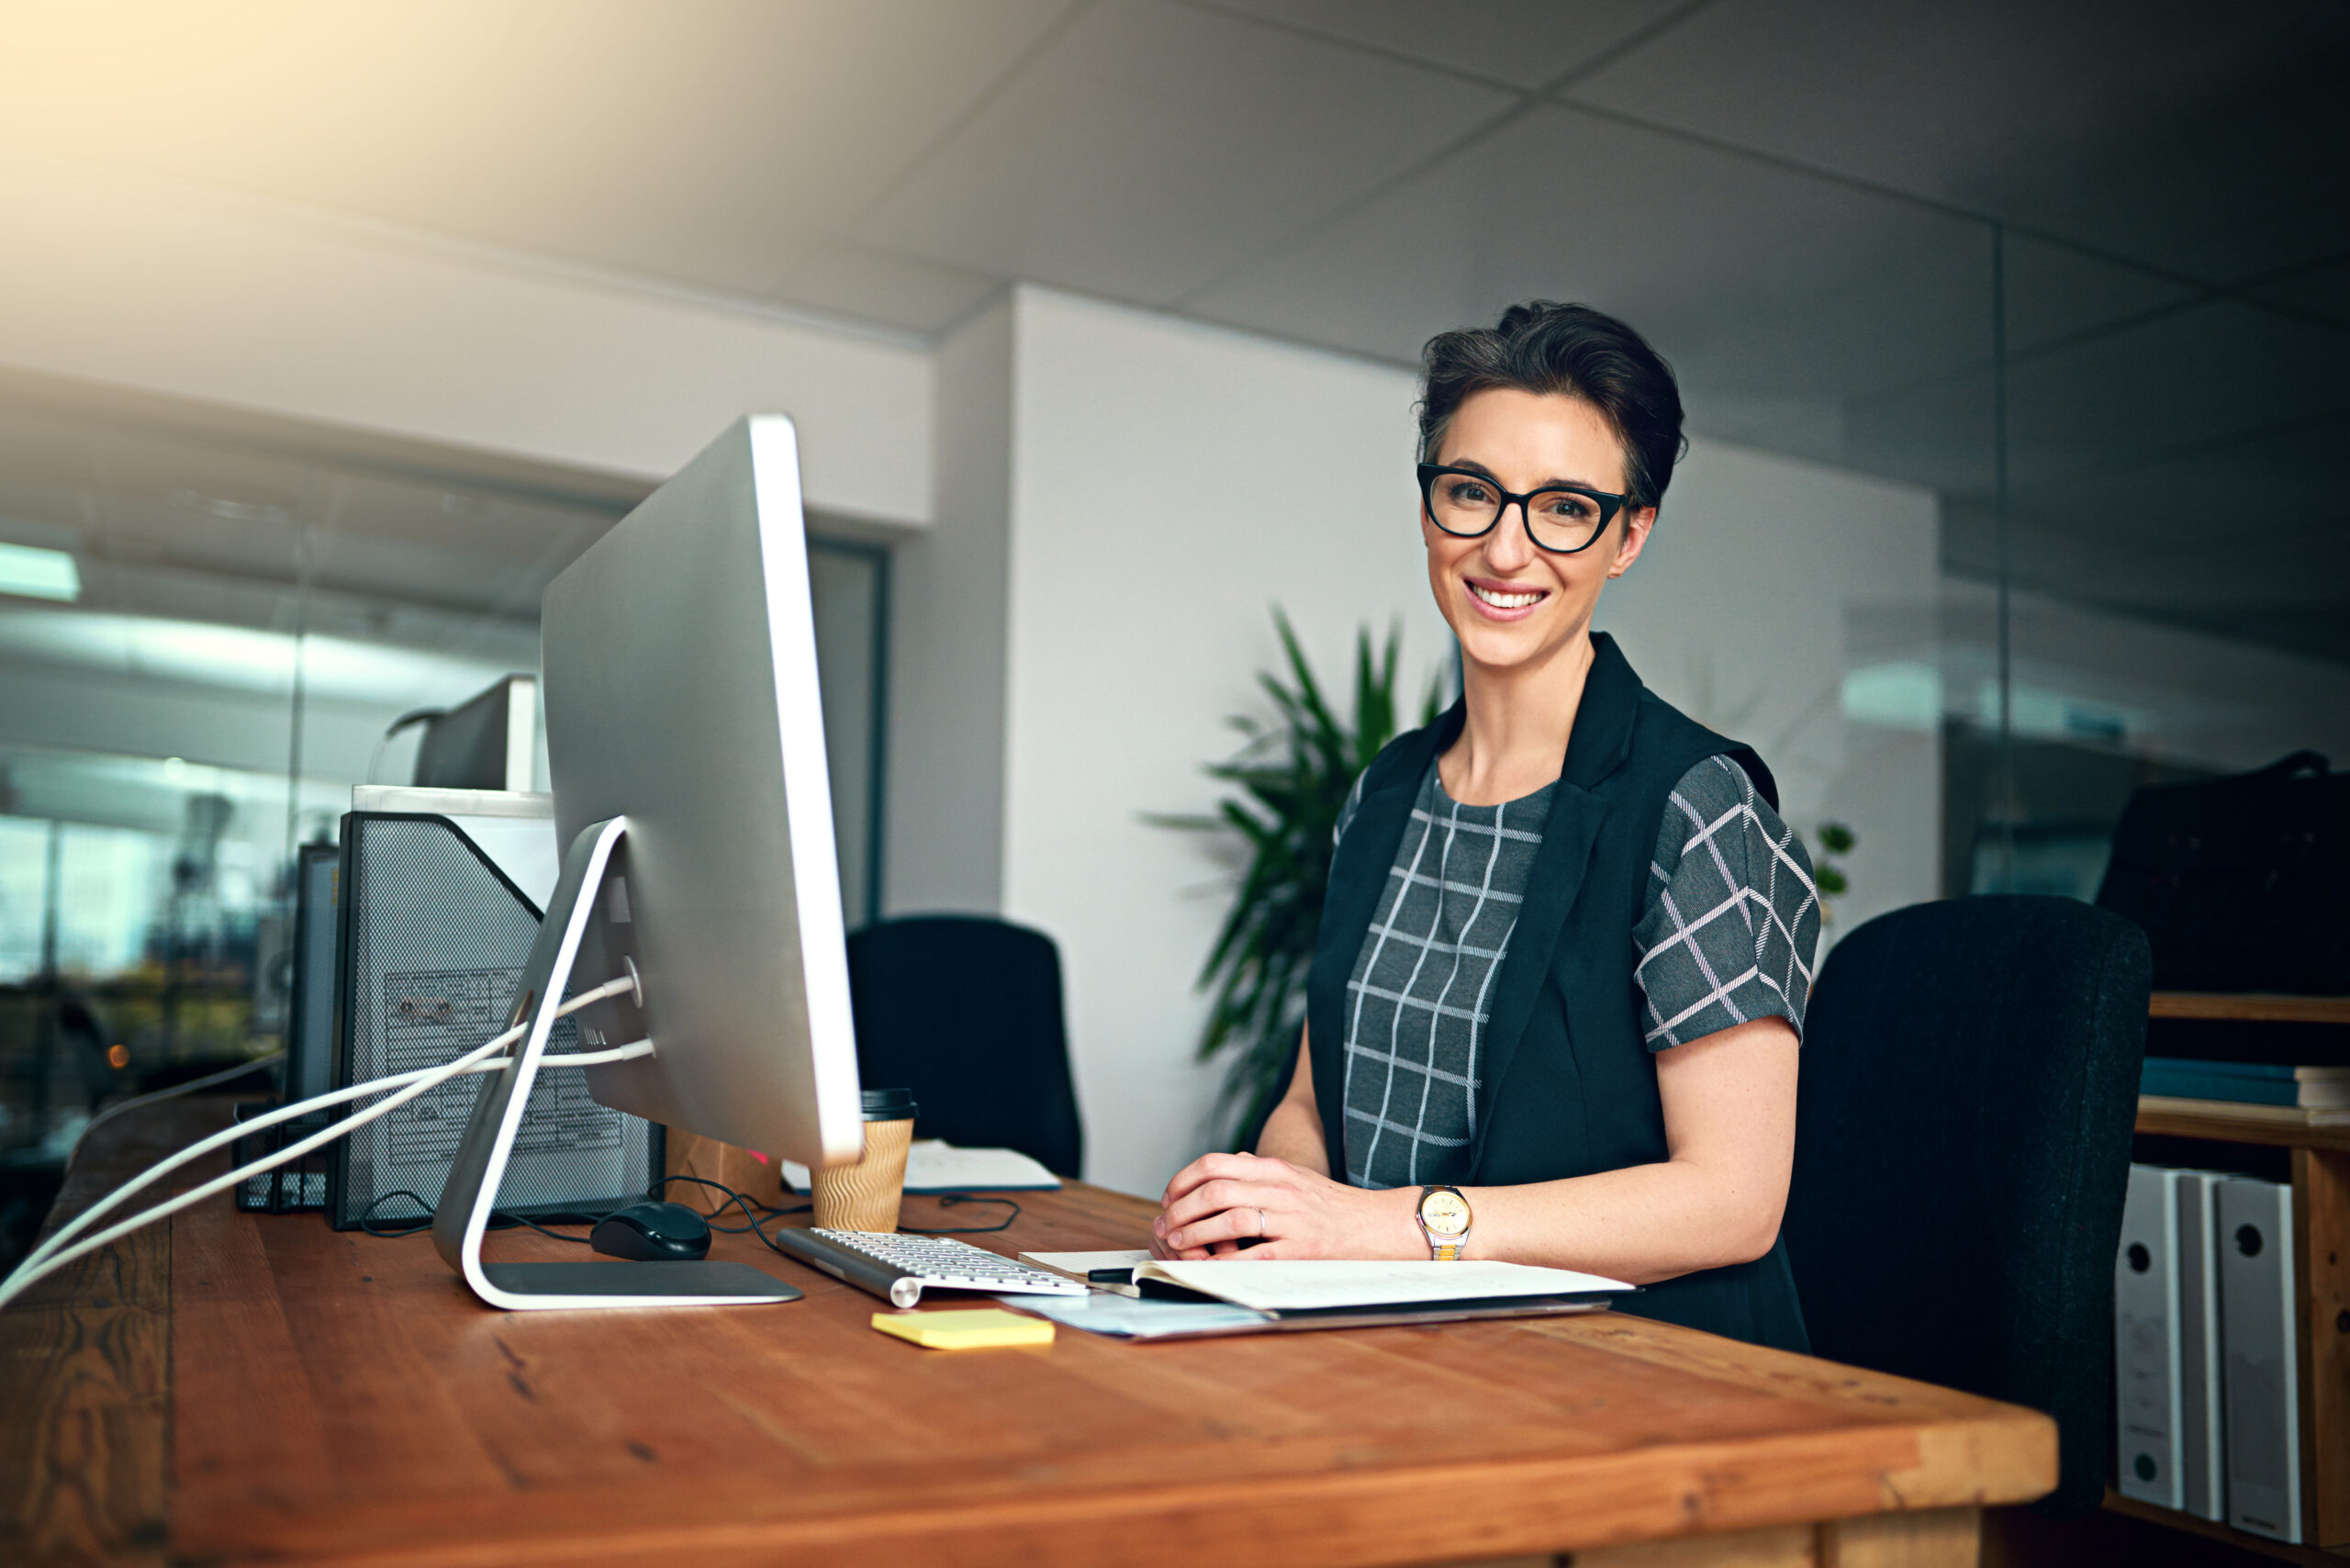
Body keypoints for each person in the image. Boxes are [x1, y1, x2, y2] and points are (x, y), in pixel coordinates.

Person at [1150, 302, 1819, 1350]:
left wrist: (1381, 1228)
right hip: (1396, 1347)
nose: (1504, 550)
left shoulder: (1696, 806)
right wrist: (1262, 1211)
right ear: (1428, 510)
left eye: (1561, 508)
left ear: (1628, 536)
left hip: (1634, 1373)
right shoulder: (1384, 793)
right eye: (1470, 494)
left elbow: (1733, 1198)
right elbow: (1313, 1108)